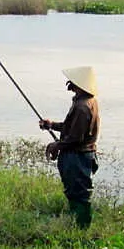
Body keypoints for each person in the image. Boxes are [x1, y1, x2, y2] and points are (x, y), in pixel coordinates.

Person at [39, 66, 100, 228]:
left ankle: (81, 228)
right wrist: (51, 125)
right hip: (82, 155)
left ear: (80, 85)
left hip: (78, 158)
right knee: (76, 192)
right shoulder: (87, 102)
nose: (69, 85)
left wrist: (56, 145)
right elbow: (71, 127)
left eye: (73, 83)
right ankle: (78, 224)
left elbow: (75, 138)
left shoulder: (82, 107)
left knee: (79, 195)